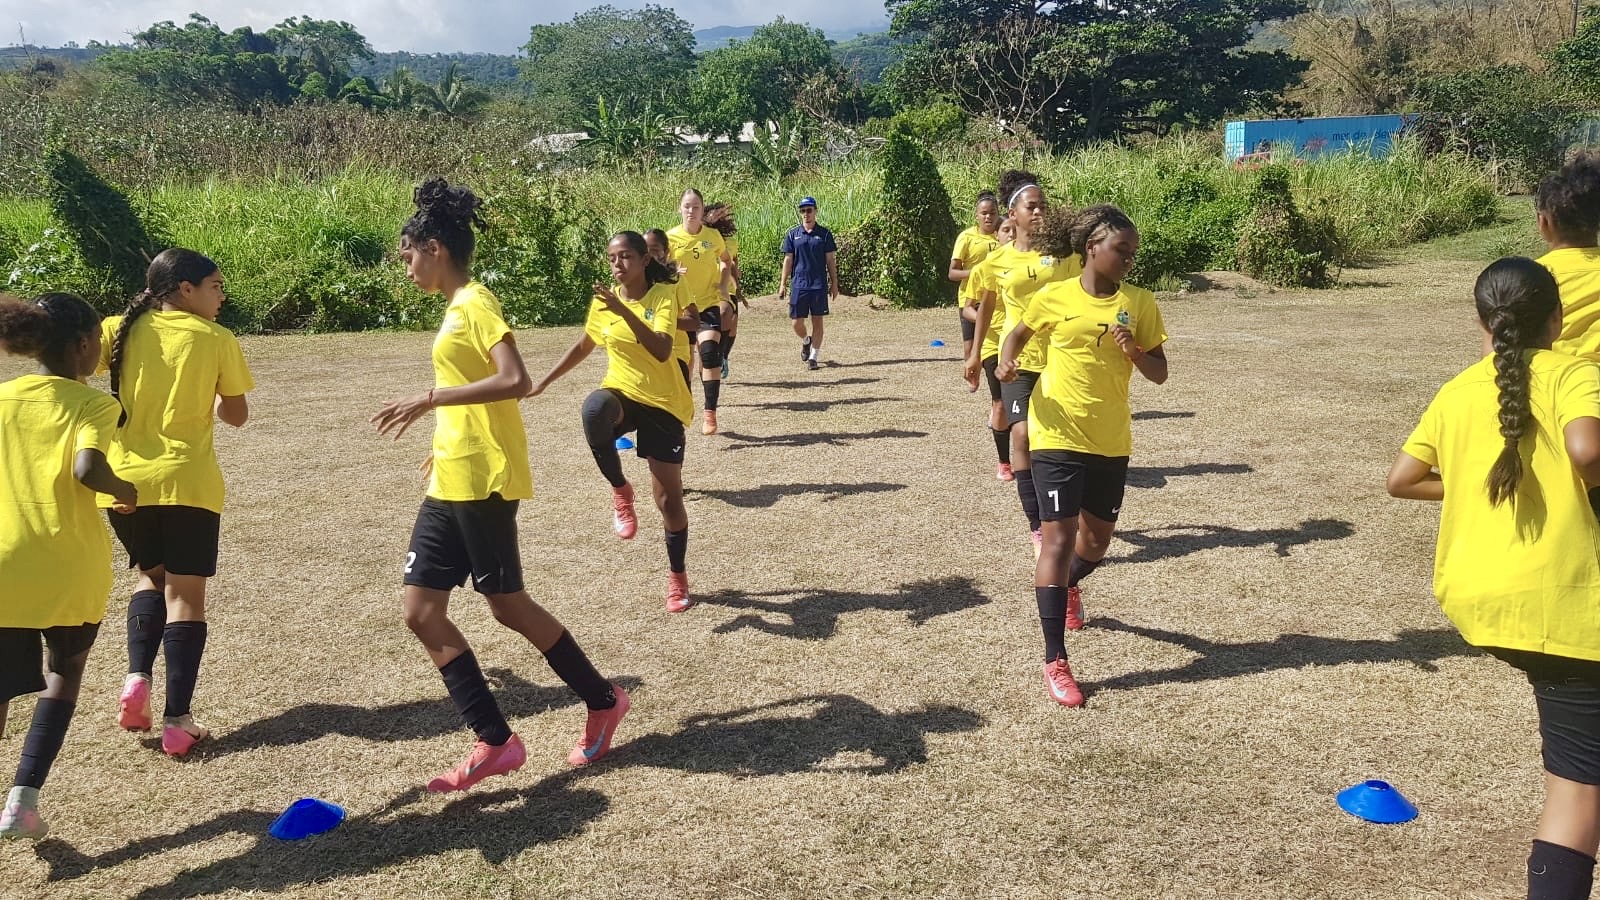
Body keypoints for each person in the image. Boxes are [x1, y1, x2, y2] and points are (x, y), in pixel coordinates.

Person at [372, 179, 628, 790]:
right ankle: (495, 740)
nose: (407, 268)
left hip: (485, 480)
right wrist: (442, 444)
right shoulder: (455, 309)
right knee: (421, 611)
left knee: (508, 606)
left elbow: (516, 379)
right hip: (450, 477)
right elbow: (474, 394)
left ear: (434, 248)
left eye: (408, 256)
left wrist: (429, 399)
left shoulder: (475, 302)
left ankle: (603, 700)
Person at [1387, 257, 1600, 900]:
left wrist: (1483, 482)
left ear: (1481, 321)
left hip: (1493, 606)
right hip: (1570, 610)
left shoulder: (1457, 391)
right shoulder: (1574, 372)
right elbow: (1588, 450)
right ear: (1557, 319)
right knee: (1578, 790)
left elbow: (1402, 479)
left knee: (1578, 775)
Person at [998, 205, 1168, 708]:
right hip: (1056, 432)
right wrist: (1006, 361)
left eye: (1133, 253)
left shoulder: (1140, 303)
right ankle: (1056, 659)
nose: (1129, 260)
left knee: (1094, 545)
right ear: (1092, 248)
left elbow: (1160, 373)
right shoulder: (1055, 296)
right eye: (1121, 250)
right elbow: (1017, 335)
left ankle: (1070, 584)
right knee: (1057, 540)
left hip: (1110, 440)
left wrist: (1135, 351)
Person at [102, 248, 252, 757]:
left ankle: (136, 678)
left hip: (124, 482)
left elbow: (72, 362)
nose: (222, 296)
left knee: (150, 577)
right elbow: (237, 415)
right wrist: (208, 393)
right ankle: (177, 720)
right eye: (216, 286)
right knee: (185, 597)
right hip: (187, 483)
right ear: (185, 289)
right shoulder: (216, 339)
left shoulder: (117, 328)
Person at [0, 293, 136, 839]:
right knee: (64, 671)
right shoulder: (92, 404)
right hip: (66, 563)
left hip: (4, 563)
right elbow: (87, 469)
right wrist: (124, 490)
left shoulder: (4, 398)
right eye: (98, 342)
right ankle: (23, 800)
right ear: (82, 345)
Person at [530, 231, 696, 613]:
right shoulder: (604, 302)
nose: (617, 265)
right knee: (594, 411)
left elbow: (662, 349)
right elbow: (584, 345)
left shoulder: (662, 295)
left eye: (625, 257)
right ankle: (621, 490)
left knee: (668, 501)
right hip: (622, 392)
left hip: (664, 403)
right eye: (611, 258)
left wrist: (623, 311)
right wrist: (544, 381)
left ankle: (678, 577)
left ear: (644, 260)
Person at [967, 171, 1080, 557]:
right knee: (1022, 435)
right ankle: (1037, 526)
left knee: (1062, 442)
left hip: (1061, 358)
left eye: (1043, 206)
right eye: (1032, 206)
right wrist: (974, 353)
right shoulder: (997, 260)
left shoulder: (1062, 256)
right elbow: (987, 306)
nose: (1039, 212)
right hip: (1017, 360)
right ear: (1012, 214)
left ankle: (1067, 510)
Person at [668, 189, 733, 434]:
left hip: (707, 304)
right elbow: (655, 266)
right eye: (687, 206)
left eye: (696, 207)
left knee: (709, 353)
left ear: (702, 210)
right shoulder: (670, 238)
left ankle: (710, 413)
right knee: (685, 362)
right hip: (682, 308)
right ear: (680, 208)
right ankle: (685, 406)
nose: (691, 211)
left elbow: (726, 260)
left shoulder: (712, 236)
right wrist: (671, 271)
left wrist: (723, 284)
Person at [967, 216, 1017, 481]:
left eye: (1014, 230)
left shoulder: (1031, 266)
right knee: (1000, 403)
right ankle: (1004, 462)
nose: (1011, 234)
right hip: (992, 344)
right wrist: (985, 323)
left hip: (1023, 344)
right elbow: (968, 307)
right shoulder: (985, 267)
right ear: (996, 235)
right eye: (1006, 230)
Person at [949, 191, 1003, 388]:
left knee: (993, 345)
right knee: (970, 348)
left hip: (996, 298)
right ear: (977, 215)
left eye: (992, 213)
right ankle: (973, 375)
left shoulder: (1004, 235)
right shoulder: (966, 237)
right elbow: (952, 273)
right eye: (984, 213)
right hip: (970, 299)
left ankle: (996, 381)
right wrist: (977, 273)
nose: (988, 217)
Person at [779, 196, 839, 371]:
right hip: (799, 284)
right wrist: (783, 283)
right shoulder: (793, 234)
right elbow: (788, 260)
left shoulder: (825, 234)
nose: (806, 213)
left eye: (809, 210)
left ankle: (813, 357)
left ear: (815, 211)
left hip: (818, 285)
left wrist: (834, 283)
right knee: (796, 323)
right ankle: (806, 340)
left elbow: (830, 260)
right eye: (803, 210)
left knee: (818, 321)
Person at [645, 227, 698, 389]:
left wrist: (666, 322)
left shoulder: (675, 280)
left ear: (666, 252)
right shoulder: (635, 282)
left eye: (655, 250)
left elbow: (694, 322)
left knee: (679, 402)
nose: (650, 255)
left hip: (675, 353)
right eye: (646, 250)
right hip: (644, 354)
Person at [704, 202, 746, 380]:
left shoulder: (731, 242)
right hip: (706, 288)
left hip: (727, 288)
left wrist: (738, 288)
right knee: (723, 316)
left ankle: (723, 356)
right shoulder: (703, 239)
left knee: (730, 321)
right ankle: (716, 355)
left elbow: (734, 264)